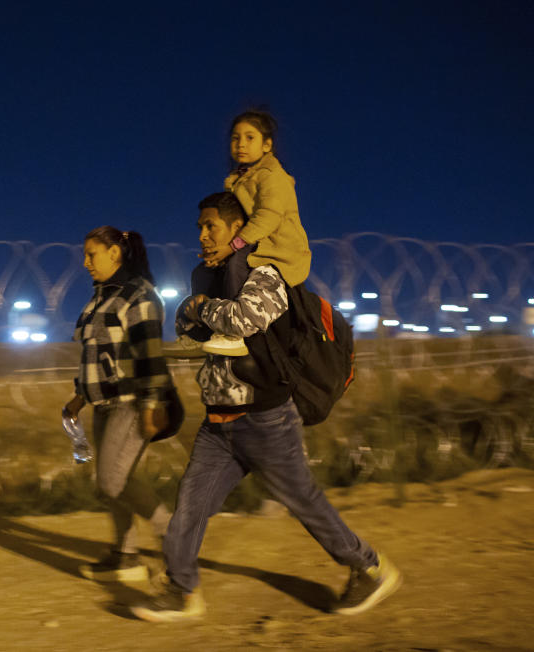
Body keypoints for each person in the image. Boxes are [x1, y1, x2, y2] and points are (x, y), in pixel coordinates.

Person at [131, 192, 401, 622]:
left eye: (210, 226)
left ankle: (368, 567)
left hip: (266, 419)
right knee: (190, 506)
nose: (201, 235)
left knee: (304, 502)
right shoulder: (207, 277)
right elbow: (183, 323)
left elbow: (246, 318)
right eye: (199, 227)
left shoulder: (264, 271)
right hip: (218, 423)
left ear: (238, 229)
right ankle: (182, 590)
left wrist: (203, 309)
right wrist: (198, 307)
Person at [64, 226, 176, 582]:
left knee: (115, 480)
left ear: (115, 253)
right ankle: (126, 556)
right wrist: (79, 398)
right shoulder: (101, 297)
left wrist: (151, 407)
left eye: (91, 254)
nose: (85, 263)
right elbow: (96, 356)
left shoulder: (139, 296)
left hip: (131, 402)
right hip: (103, 403)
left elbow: (150, 357)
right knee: (109, 481)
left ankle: (174, 538)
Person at [194, 110, 312, 356]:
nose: (241, 144)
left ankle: (233, 333)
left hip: (279, 249)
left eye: (250, 138)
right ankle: (200, 331)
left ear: (267, 145)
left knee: (236, 264)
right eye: (236, 138)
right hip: (254, 242)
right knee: (204, 270)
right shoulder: (238, 179)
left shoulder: (272, 177)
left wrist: (231, 246)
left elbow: (267, 217)